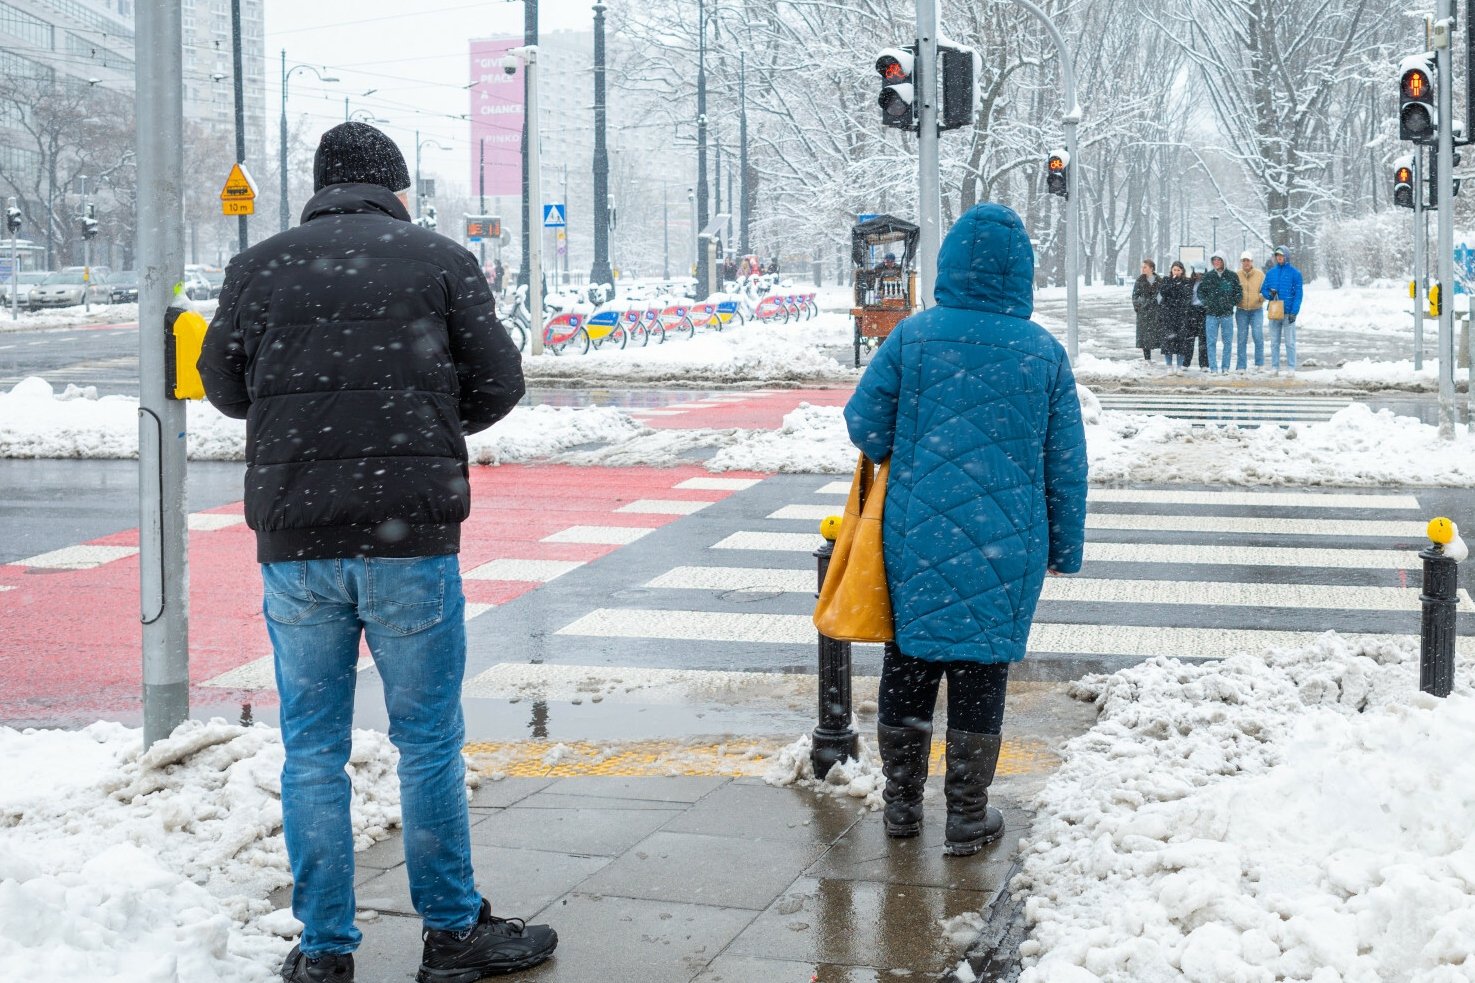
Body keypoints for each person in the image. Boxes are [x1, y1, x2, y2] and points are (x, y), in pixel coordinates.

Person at [197, 122, 556, 983]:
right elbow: (500, 380)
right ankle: (451, 934)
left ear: (320, 189)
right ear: (395, 187)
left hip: (296, 541)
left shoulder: (261, 266)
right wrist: (427, 430)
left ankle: (324, 951)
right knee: (428, 738)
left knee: (311, 746)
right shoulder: (436, 259)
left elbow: (222, 384)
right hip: (410, 537)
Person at [844, 203, 1088, 858]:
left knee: (909, 660)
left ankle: (899, 806)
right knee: (981, 672)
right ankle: (966, 817)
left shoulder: (913, 337)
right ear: (1021, 275)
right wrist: (1065, 547)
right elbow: (1065, 464)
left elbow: (864, 425)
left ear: (949, 263)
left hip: (916, 532)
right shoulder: (1042, 353)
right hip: (1006, 543)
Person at [1261, 245, 1303, 373]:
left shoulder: (1295, 273)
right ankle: (1275, 366)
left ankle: (1291, 367)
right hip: (1274, 312)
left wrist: (1294, 312)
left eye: (1281, 255)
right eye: (1277, 256)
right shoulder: (1270, 273)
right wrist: (1270, 294)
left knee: (1290, 342)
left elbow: (1298, 294)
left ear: (1286, 256)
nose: (1279, 258)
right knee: (1274, 342)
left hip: (1288, 313)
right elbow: (1263, 290)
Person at [1199, 252, 1242, 374]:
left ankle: (1225, 368)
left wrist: (1231, 303)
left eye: (1219, 260)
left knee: (1227, 342)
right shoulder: (1208, 276)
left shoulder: (1232, 276)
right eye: (1214, 260)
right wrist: (1206, 303)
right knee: (1211, 342)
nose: (1216, 262)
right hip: (1211, 315)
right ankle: (1213, 368)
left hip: (1227, 315)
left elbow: (1238, 292)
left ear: (1224, 261)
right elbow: (1201, 292)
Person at [1157, 260, 1194, 372]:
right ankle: (1169, 366)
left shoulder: (1186, 282)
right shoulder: (1166, 280)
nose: (1176, 272)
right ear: (1171, 270)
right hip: (1168, 315)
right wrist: (1172, 283)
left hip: (1182, 316)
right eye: (1174, 269)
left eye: (1178, 270)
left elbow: (1188, 295)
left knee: (1181, 342)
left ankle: (1179, 366)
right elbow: (1162, 292)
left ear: (1182, 271)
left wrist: (1179, 285)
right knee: (1168, 341)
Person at [1235, 251, 1266, 371]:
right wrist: (1236, 299)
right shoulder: (1236, 275)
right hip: (1241, 310)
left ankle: (1260, 363)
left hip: (1256, 310)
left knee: (1258, 336)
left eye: (1248, 260)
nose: (1246, 263)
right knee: (1242, 338)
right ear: (1241, 262)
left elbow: (1265, 289)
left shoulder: (1260, 275)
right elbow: (1233, 291)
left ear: (1252, 262)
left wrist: (1260, 297)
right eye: (1244, 260)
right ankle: (1241, 365)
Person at [1132, 259, 1162, 362]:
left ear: (1151, 268)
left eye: (1145, 267)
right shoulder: (1140, 280)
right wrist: (1139, 306)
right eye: (1142, 267)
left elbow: (1163, 294)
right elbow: (1135, 296)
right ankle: (1147, 358)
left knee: (1156, 333)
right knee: (1144, 336)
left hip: (1156, 311)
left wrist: (1160, 306)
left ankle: (1165, 358)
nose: (1142, 269)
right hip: (1144, 312)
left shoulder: (1159, 280)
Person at [1187, 264, 1209, 370]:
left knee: (1203, 338)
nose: (1199, 275)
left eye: (1201, 273)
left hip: (1204, 311)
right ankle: (1186, 363)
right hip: (1192, 310)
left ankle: (1204, 364)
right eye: (1197, 273)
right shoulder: (1190, 282)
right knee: (1189, 338)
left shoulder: (1207, 283)